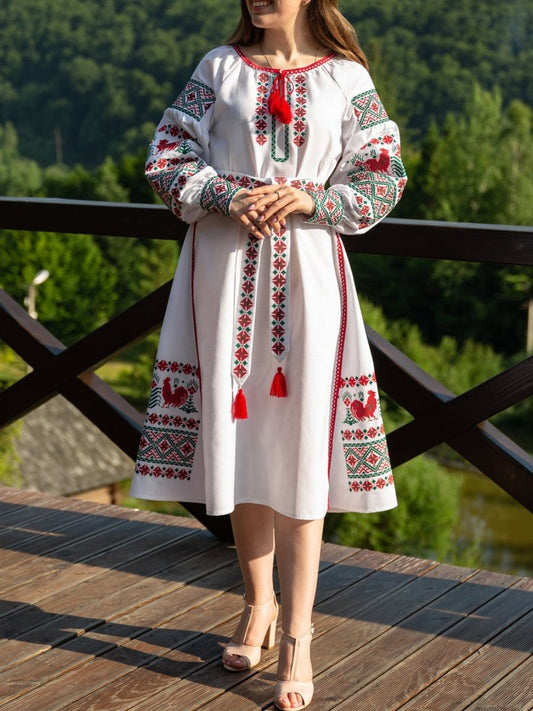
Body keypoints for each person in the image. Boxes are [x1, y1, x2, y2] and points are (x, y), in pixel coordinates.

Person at [130, 0, 406, 707]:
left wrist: (307, 200)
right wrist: (226, 194)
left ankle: (298, 634)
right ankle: (256, 605)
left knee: (300, 448)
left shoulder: (344, 78)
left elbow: (382, 176)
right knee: (241, 440)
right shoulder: (217, 68)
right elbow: (164, 157)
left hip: (310, 285)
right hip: (222, 283)